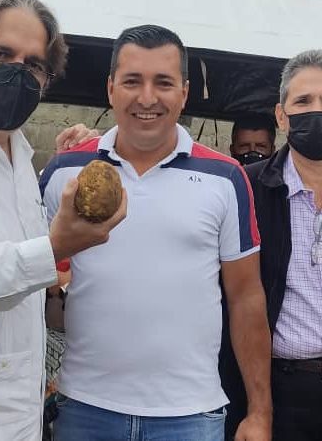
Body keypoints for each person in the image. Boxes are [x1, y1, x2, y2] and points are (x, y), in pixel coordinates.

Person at [40, 24, 272, 441]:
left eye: (163, 83)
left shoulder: (225, 178)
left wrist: (259, 412)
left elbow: (246, 298)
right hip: (85, 409)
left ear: (184, 92)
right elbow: (32, 278)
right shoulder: (64, 171)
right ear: (111, 88)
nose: (147, 98)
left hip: (191, 416)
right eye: (132, 81)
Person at [0, 0, 126, 440]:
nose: (17, 72)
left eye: (33, 64)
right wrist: (51, 249)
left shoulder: (17, 153)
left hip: (16, 419)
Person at [223, 49, 322, 441]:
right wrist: (257, 411)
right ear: (281, 116)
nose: (316, 112)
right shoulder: (246, 189)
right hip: (277, 393)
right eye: (304, 102)